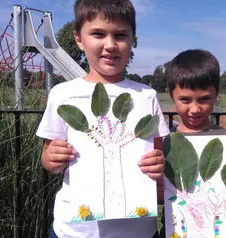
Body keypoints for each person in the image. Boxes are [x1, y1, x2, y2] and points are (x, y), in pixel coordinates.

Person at [36, 0, 170, 237]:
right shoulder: (63, 94)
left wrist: (158, 164)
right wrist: (53, 157)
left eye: (120, 35)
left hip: (137, 230)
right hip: (74, 231)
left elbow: (158, 157)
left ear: (132, 39)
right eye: (98, 34)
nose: (110, 45)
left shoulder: (146, 96)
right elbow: (48, 160)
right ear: (79, 39)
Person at [165, 49, 226, 199]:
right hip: (175, 222)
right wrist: (158, 192)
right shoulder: (164, 141)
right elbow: (161, 196)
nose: (195, 109)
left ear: (216, 94)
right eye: (185, 100)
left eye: (204, 99)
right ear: (171, 95)